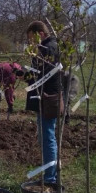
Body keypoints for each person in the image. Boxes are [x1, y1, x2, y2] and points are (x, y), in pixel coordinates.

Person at [25, 21, 61, 184]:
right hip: (44, 97)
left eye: (32, 39)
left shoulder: (48, 48)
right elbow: (40, 72)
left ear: (40, 34)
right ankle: (50, 173)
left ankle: (50, 178)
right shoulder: (46, 48)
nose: (31, 43)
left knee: (47, 137)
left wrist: (29, 76)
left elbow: (45, 73)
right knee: (45, 136)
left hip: (48, 98)